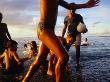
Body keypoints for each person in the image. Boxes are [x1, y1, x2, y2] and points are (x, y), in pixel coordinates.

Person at [22, 0, 100, 82]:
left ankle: (24, 80)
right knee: (64, 57)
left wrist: (85, 5)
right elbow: (70, 8)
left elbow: (69, 6)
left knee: (40, 59)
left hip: (48, 30)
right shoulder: (66, 17)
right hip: (45, 28)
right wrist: (85, 5)